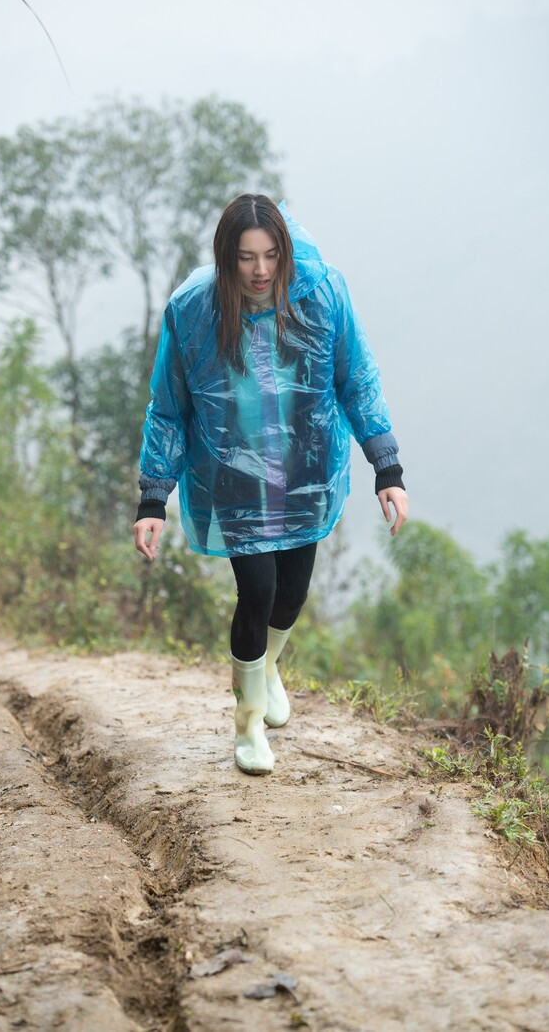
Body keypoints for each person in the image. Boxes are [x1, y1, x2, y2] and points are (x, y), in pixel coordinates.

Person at [133, 195, 408, 776]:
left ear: (284, 251)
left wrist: (387, 467)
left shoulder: (320, 295)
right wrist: (153, 496)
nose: (260, 271)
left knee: (292, 593)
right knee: (256, 591)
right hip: (232, 477)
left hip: (303, 472)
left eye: (270, 255)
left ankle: (268, 666)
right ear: (225, 260)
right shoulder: (194, 313)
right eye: (245, 258)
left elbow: (355, 378)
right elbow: (170, 408)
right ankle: (249, 723)